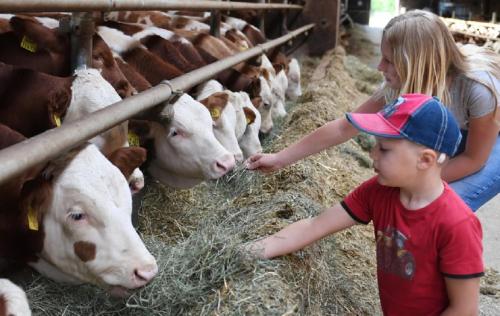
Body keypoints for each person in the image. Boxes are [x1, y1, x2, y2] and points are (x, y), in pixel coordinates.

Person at [248, 94, 484, 315]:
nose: (372, 153)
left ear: (425, 160)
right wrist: (254, 250)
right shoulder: (379, 191)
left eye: (384, 148)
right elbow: (314, 226)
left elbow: (463, 309)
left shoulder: (457, 224)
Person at [247, 9, 500, 211]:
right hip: (458, 127)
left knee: (446, 201)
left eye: (389, 60)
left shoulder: (477, 89)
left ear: (415, 63)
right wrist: (280, 158)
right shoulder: (398, 84)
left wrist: (414, 181)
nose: (379, 67)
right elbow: (344, 127)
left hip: (490, 139)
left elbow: (473, 159)